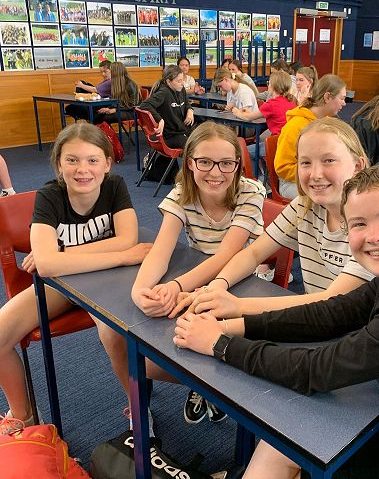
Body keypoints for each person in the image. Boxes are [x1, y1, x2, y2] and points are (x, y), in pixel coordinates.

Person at [174, 165, 379, 479]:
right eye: (359, 223)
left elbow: (316, 370)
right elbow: (332, 314)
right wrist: (232, 325)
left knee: (288, 441)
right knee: (286, 441)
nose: (374, 236)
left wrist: (219, 345)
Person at [0, 123, 152, 435]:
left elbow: (127, 239)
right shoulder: (50, 195)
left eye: (92, 160)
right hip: (64, 284)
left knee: (113, 336)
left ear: (106, 163)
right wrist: (121, 254)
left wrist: (61, 252)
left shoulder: (114, 186)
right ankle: (25, 416)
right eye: (72, 160)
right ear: (59, 164)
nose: (83, 169)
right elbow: (46, 265)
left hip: (106, 283)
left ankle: (139, 408)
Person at [131, 121, 265, 425]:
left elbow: (227, 254)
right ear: (190, 162)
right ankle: (202, 385)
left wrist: (177, 286)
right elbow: (160, 251)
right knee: (164, 339)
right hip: (198, 276)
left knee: (210, 330)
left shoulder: (251, 191)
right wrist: (139, 291)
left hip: (240, 280)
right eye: (205, 162)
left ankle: (211, 387)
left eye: (226, 163)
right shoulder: (182, 194)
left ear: (237, 164)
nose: (216, 172)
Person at [174, 117, 372, 317]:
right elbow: (253, 254)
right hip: (314, 320)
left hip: (355, 328)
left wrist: (238, 306)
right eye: (305, 162)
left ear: (357, 166)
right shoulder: (304, 206)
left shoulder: (373, 225)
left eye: (329, 160)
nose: (315, 174)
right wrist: (216, 286)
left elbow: (332, 301)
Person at [276, 74, 347, 199]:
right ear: (327, 97)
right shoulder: (295, 126)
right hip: (292, 182)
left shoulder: (327, 122)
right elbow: (282, 168)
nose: (344, 103)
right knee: (333, 197)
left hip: (318, 177)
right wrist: (319, 172)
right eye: (342, 98)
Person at [231, 71, 297, 165]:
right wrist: (247, 112)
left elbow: (248, 118)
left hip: (277, 144)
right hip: (290, 143)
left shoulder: (271, 104)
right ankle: (265, 171)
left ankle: (257, 174)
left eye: (268, 83)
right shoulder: (292, 101)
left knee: (245, 152)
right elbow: (255, 114)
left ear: (273, 86)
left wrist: (237, 112)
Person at [138, 65, 194, 148]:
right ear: (168, 82)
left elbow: (186, 103)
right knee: (194, 147)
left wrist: (190, 110)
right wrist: (160, 120)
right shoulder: (164, 92)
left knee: (201, 138)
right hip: (170, 135)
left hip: (180, 130)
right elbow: (144, 105)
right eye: (179, 81)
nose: (183, 83)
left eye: (183, 80)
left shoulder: (181, 89)